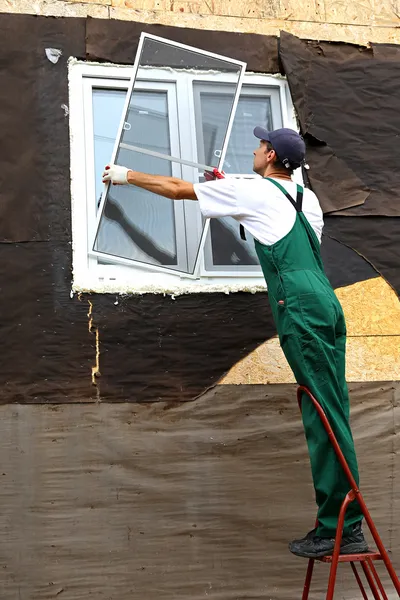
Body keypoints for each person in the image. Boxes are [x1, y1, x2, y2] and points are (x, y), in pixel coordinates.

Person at [102, 127, 368, 559]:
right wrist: (229, 190)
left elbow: (175, 188)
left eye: (260, 146)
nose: (254, 149)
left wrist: (125, 175)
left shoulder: (255, 191)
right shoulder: (306, 197)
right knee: (332, 408)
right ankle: (344, 520)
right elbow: (269, 216)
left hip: (299, 305)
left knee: (323, 414)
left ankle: (341, 527)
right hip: (325, 301)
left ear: (271, 156)